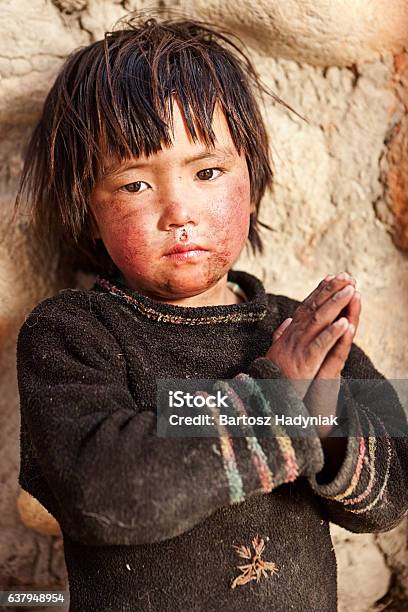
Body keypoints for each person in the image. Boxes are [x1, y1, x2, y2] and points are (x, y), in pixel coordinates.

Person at [14, 13, 408, 612]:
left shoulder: (302, 331)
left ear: (252, 177)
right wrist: (278, 399)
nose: (179, 210)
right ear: (86, 206)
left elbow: (396, 491)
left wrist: (323, 420)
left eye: (207, 171)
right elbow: (103, 494)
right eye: (135, 184)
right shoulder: (70, 334)